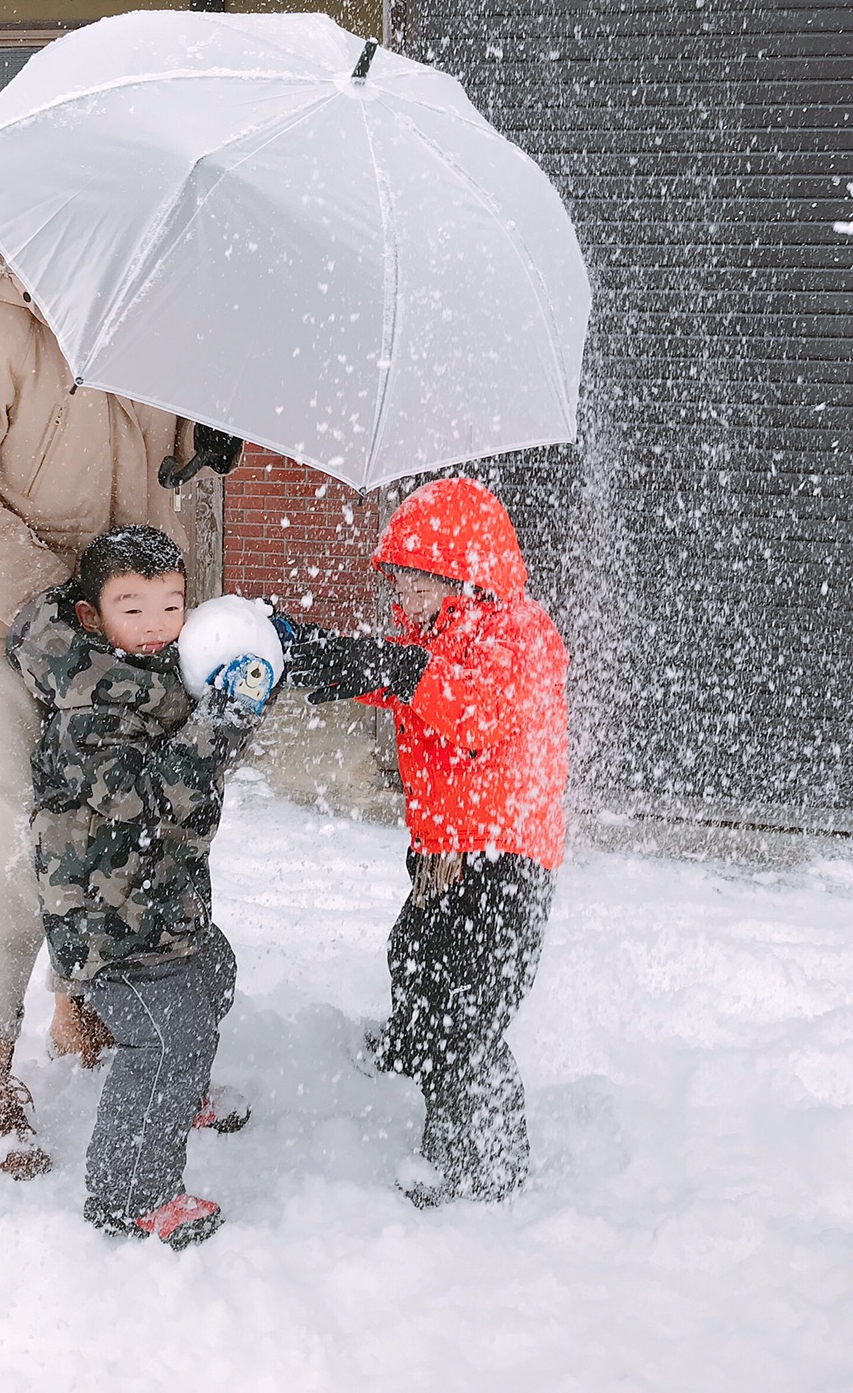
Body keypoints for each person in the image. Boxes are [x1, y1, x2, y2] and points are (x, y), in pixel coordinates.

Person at [0, 207, 242, 1177]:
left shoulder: (151, 325)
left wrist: (201, 435)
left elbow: (153, 461)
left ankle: (85, 1007)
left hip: (122, 629)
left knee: (118, 830)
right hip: (5, 627)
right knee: (17, 850)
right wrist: (45, 599)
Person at [290, 477, 569, 1206]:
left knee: (468, 1019)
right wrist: (319, 654)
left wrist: (395, 667)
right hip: (443, 856)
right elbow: (408, 677)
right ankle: (411, 1043)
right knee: (414, 956)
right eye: (398, 582)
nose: (400, 600)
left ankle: (480, 1164)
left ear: (458, 577)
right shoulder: (438, 635)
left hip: (505, 866)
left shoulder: (519, 634)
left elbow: (472, 710)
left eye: (412, 583)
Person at [7, 525, 270, 1248]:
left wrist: (238, 683)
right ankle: (129, 1196)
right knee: (166, 1038)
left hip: (157, 899)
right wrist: (220, 722)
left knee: (212, 973)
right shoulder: (90, 709)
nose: (155, 626)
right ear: (92, 617)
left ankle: (177, 1099)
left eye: (171, 606)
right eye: (133, 607)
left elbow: (195, 767)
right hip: (105, 916)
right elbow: (153, 800)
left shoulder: (157, 680)